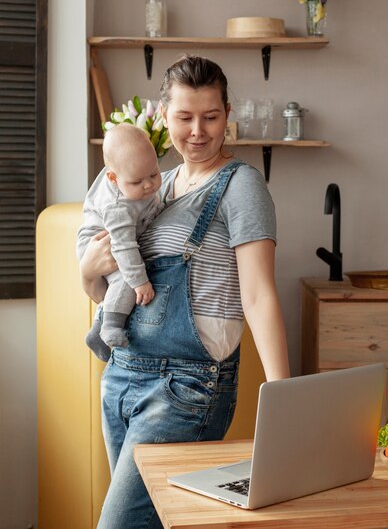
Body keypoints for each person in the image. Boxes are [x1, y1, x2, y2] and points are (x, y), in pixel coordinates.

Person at [79, 55, 290, 529]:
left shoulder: (241, 186)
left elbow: (258, 296)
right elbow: (118, 293)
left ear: (228, 115)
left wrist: (281, 401)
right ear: (163, 117)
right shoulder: (155, 186)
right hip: (121, 375)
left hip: (185, 388)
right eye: (185, 117)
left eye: (211, 116)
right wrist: (88, 272)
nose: (198, 131)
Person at [77, 123, 163, 360]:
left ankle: (97, 330)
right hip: (102, 242)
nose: (149, 185)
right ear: (113, 179)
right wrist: (140, 282)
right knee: (126, 276)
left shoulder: (132, 177)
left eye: (154, 174)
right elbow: (123, 246)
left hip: (118, 237)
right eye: (137, 182)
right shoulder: (118, 205)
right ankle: (110, 327)